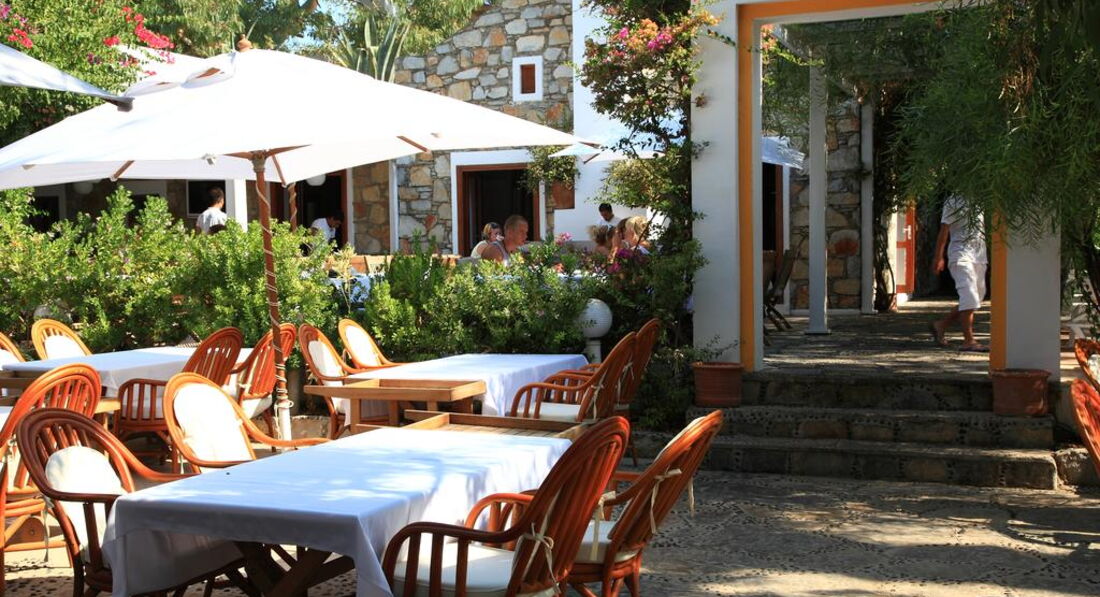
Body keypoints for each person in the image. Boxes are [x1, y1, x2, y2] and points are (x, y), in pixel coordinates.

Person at [931, 195, 988, 352]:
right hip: (961, 255)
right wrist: (938, 257)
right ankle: (969, 341)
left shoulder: (980, 199)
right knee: (969, 297)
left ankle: (941, 325)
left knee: (975, 299)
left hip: (979, 257)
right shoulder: (953, 201)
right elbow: (944, 230)